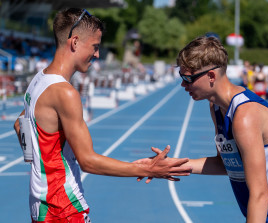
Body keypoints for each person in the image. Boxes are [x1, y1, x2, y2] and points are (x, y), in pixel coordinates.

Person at [13, 8, 192, 223]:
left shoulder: (38, 80)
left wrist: (40, 166)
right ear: (75, 42)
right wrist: (148, 169)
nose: (97, 55)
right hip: (63, 206)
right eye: (95, 47)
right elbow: (88, 161)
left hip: (40, 203)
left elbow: (19, 124)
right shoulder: (65, 92)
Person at [137, 36, 268, 222]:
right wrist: (172, 165)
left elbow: (260, 194)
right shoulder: (216, 107)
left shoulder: (245, 116)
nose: (183, 84)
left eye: (188, 78)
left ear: (211, 76)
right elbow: (225, 164)